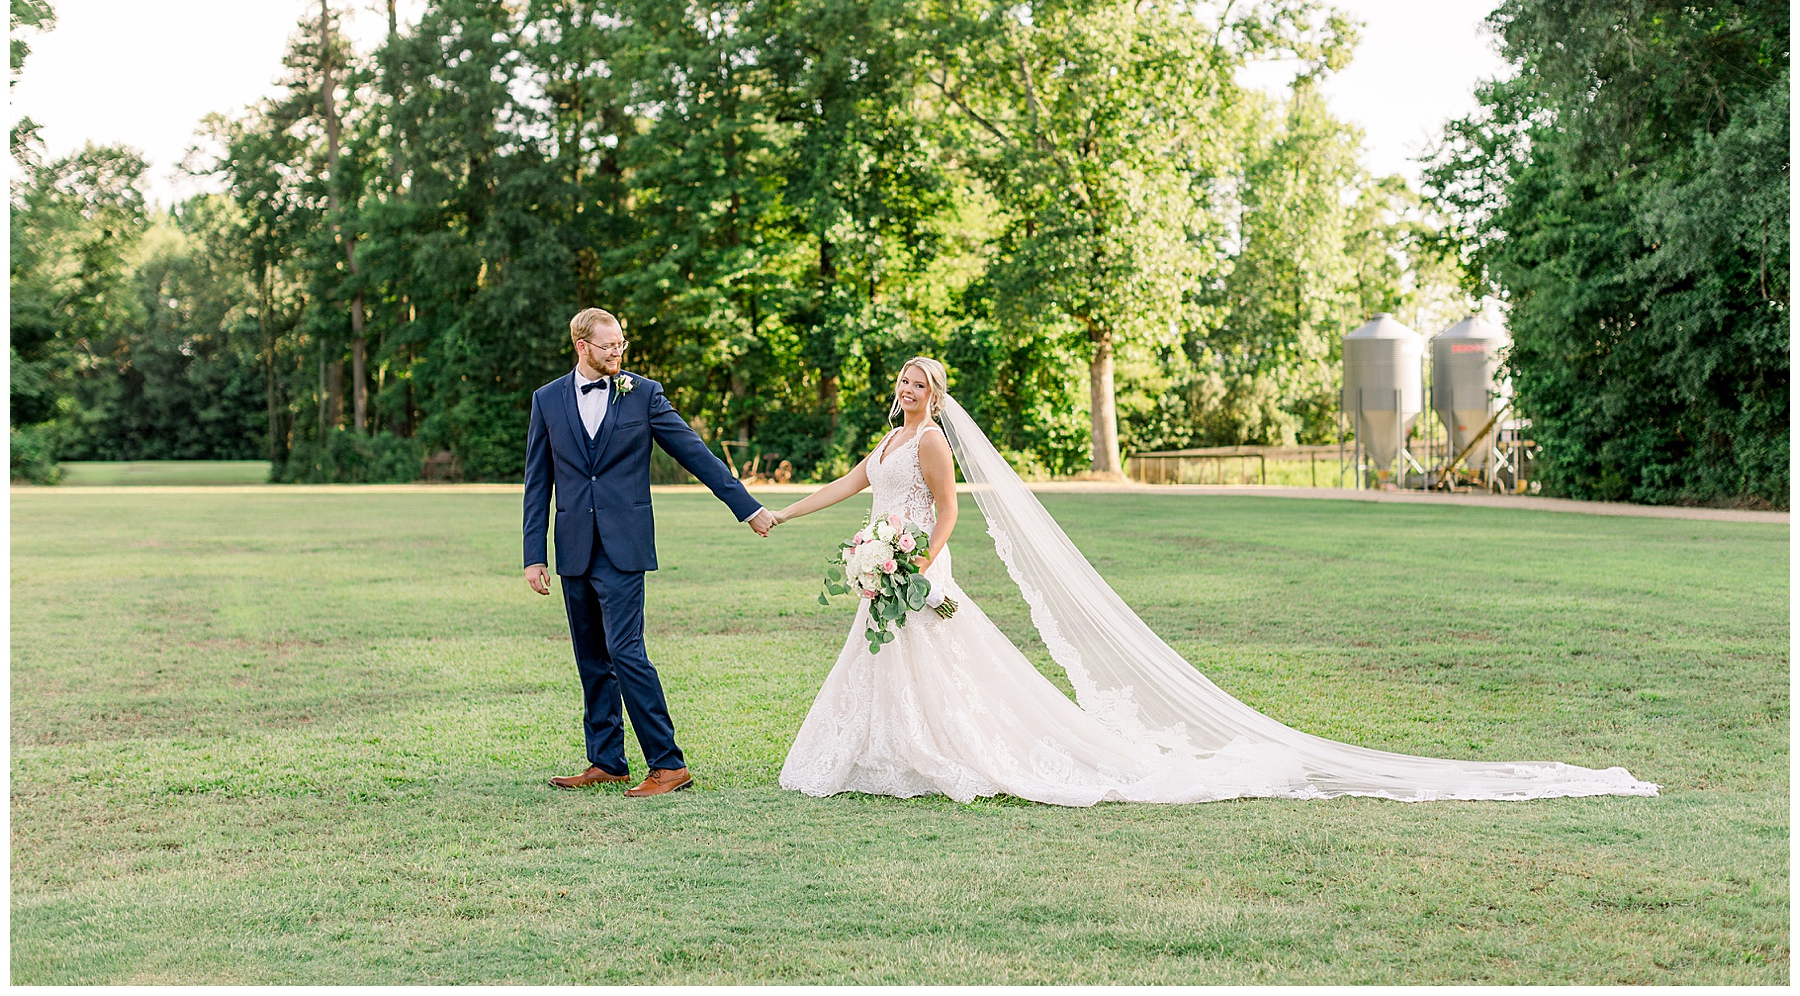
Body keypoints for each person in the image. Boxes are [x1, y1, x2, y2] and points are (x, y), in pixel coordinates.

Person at [771, 357, 1659, 806]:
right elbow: (850, 489)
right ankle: (882, 754)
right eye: (904, 382)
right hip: (883, 566)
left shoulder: (930, 443)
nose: (912, 391)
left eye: (922, 383)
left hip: (922, 568)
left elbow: (949, 509)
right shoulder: (885, 440)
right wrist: (784, 514)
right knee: (885, 663)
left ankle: (945, 755)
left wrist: (919, 564)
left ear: (937, 396)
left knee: (957, 668)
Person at [523, 308, 776, 797]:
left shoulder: (644, 394)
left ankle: (667, 764)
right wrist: (534, 554)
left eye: (622, 343)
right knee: (591, 656)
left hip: (624, 547)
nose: (618, 352)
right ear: (582, 346)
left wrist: (746, 508)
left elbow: (694, 452)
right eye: (609, 345)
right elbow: (538, 482)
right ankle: (607, 761)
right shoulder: (547, 399)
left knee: (625, 650)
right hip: (573, 547)